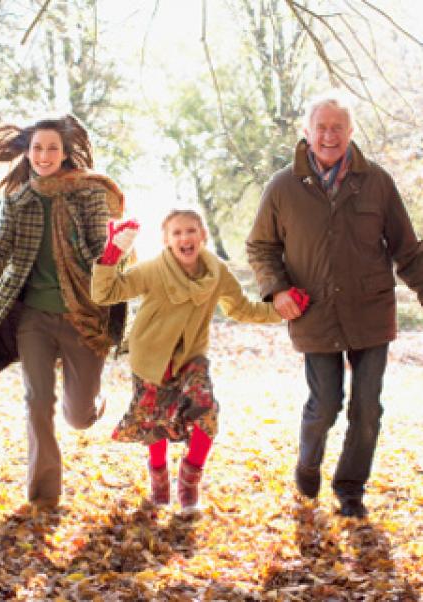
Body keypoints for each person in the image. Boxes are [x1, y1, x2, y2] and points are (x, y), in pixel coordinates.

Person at [247, 91, 423, 518]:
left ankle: (349, 489)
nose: (329, 136)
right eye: (321, 127)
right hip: (314, 313)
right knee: (325, 404)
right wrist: (278, 290)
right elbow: (261, 247)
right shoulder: (283, 186)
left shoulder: (377, 182)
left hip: (370, 312)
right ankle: (308, 464)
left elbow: (407, 249)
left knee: (367, 408)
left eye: (337, 128)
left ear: (349, 133)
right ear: (306, 132)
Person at [0, 114, 124, 509]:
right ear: (28, 151)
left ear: (65, 153)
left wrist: (116, 253)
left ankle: (92, 404)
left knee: (78, 416)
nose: (43, 155)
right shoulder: (18, 200)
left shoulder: (88, 194)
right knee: (37, 402)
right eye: (37, 148)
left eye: (52, 148)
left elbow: (98, 251)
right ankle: (44, 496)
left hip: (82, 315)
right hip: (33, 319)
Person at [91, 209, 282, 517]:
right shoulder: (153, 270)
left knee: (206, 411)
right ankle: (160, 484)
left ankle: (189, 484)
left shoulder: (216, 272)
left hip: (191, 359)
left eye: (191, 230)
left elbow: (242, 308)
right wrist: (111, 255)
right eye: (176, 233)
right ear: (166, 241)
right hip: (151, 357)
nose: (185, 238)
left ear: (203, 236)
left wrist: (282, 311)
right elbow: (105, 293)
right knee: (155, 423)